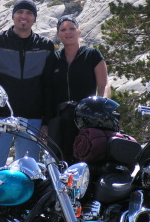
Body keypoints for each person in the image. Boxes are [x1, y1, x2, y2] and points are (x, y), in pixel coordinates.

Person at [0, 0, 54, 179]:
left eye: (29, 13)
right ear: (13, 15)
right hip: (0, 120)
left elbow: (49, 86)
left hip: (33, 121)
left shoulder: (45, 46)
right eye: (20, 12)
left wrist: (46, 121)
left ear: (35, 19)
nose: (24, 16)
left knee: (29, 176)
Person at [45, 15, 111, 164]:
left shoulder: (92, 55)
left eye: (72, 28)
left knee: (86, 162)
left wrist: (101, 109)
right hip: (59, 121)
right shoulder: (53, 59)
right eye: (63, 29)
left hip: (87, 120)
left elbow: (104, 85)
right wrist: (45, 123)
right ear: (58, 35)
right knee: (59, 164)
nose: (68, 32)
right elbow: (48, 92)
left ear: (79, 32)